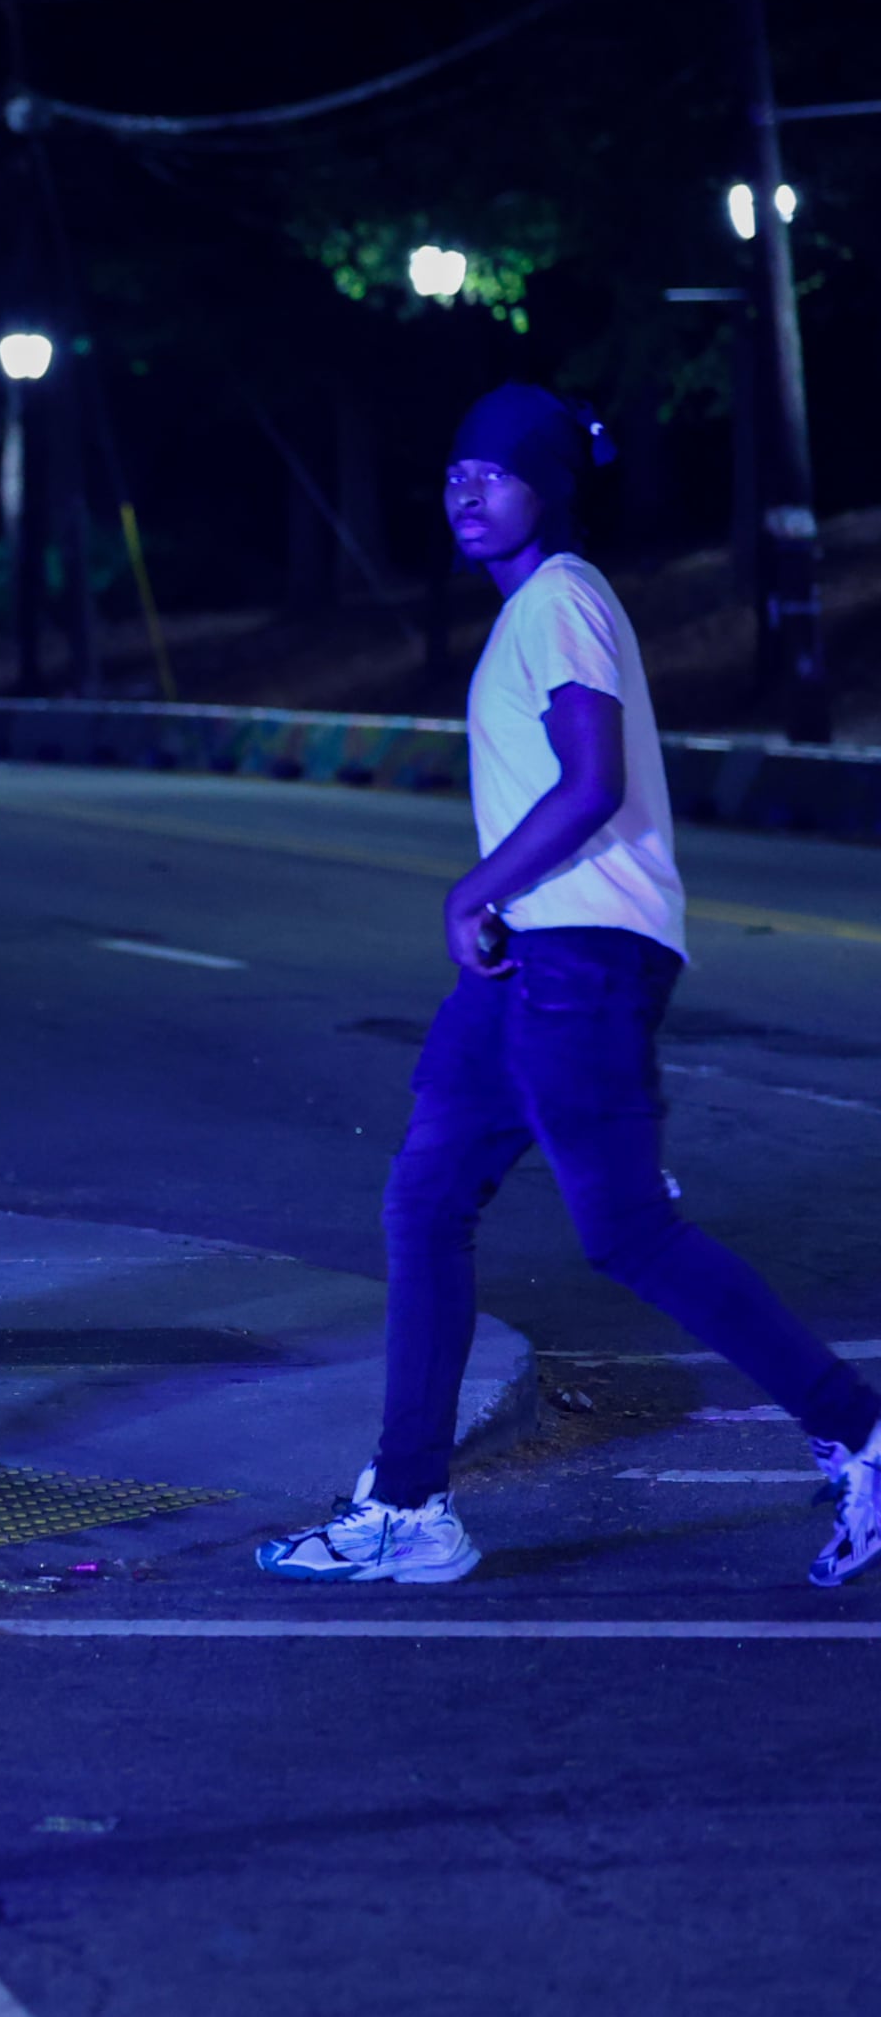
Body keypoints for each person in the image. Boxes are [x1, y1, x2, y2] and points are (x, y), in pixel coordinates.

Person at [259, 385, 881, 1589]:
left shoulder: (562, 600)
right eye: (455, 471)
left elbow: (591, 782)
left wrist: (469, 890)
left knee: (628, 1230)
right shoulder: (532, 612)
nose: (465, 491)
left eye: (495, 473)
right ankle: (410, 1505)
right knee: (425, 1200)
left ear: (549, 488)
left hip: (581, 951)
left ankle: (860, 1429)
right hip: (529, 961)